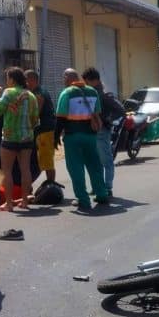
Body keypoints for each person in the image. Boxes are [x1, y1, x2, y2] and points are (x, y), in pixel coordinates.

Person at [55, 68, 108, 211]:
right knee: (94, 165)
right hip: (91, 136)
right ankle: (102, 194)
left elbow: (60, 117)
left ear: (67, 77)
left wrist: (56, 137)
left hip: (72, 136)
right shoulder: (92, 91)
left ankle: (83, 200)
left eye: (63, 77)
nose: (62, 80)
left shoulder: (66, 93)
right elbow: (97, 113)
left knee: (75, 168)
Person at [0, 67, 39, 211]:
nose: (7, 81)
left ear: (12, 79)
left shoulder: (8, 92)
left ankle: (8, 203)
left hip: (9, 138)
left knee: (7, 171)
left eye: (7, 78)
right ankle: (24, 201)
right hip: (27, 138)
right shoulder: (31, 96)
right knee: (25, 169)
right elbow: (35, 120)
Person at [82, 67, 124, 197]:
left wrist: (107, 119)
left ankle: (107, 187)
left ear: (94, 81)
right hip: (91, 132)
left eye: (87, 81)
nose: (85, 84)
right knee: (94, 161)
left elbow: (120, 110)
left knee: (106, 161)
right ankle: (97, 186)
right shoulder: (89, 94)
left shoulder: (103, 96)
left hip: (102, 132)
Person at [24, 69, 58, 184]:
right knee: (42, 158)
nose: (25, 83)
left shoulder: (39, 93)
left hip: (45, 130)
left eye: (26, 80)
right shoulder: (34, 92)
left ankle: (51, 185)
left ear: (32, 80)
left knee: (47, 159)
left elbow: (36, 112)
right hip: (40, 131)